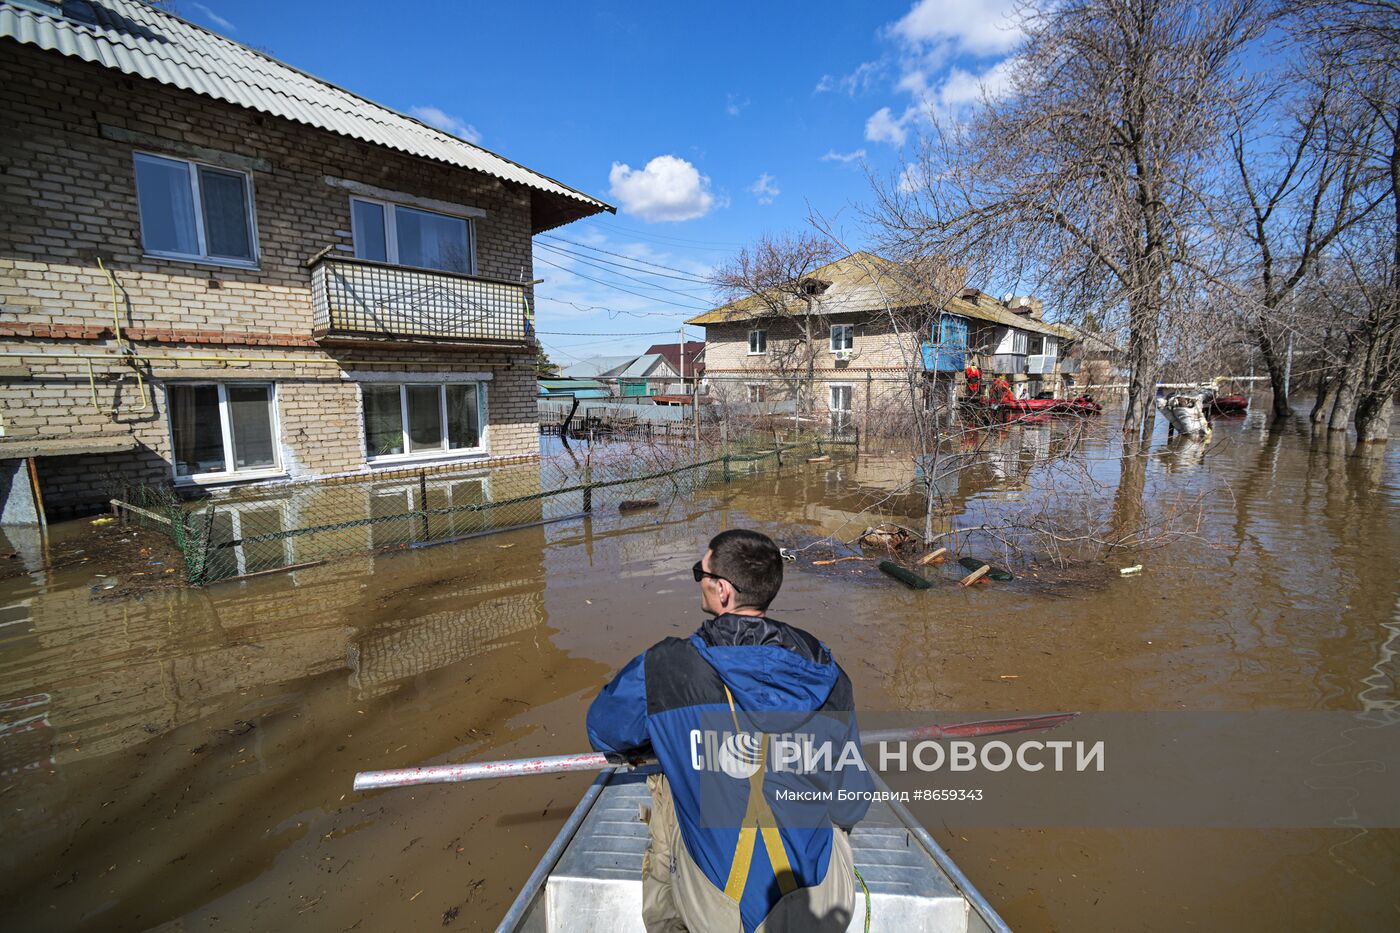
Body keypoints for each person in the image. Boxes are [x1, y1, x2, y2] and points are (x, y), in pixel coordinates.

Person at [587, 529, 870, 932]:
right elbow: (851, 803)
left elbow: (604, 732)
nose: (698, 582)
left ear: (722, 591)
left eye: (698, 573)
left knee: (667, 785)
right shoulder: (827, 671)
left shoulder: (666, 668)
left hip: (719, 914)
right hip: (822, 901)